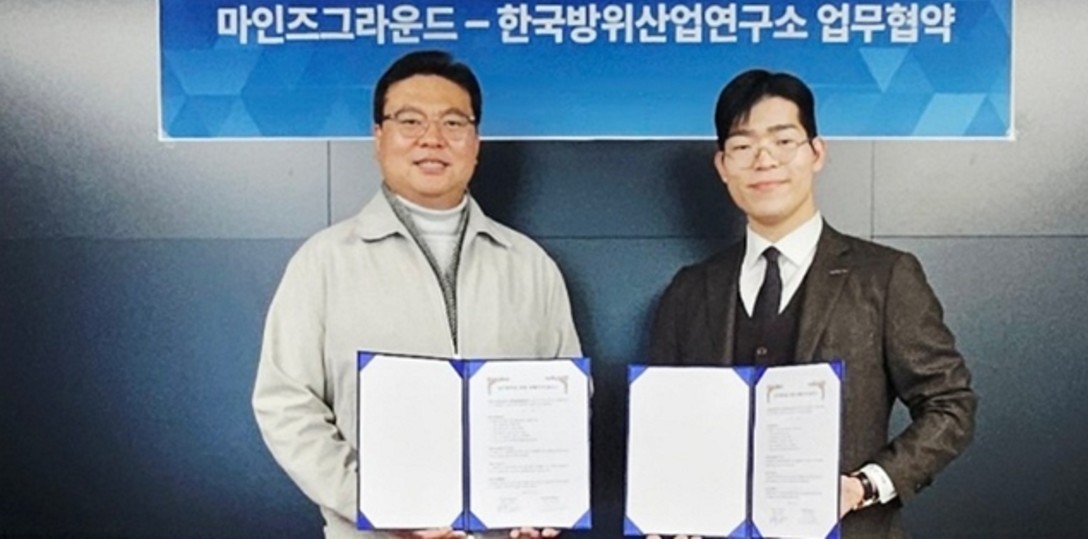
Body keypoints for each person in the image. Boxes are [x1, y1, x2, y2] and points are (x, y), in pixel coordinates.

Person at [253, 50, 581, 539]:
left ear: (475, 142)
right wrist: (376, 505)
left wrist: (543, 498)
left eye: (453, 123)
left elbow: (567, 397)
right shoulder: (324, 262)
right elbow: (286, 404)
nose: (432, 138)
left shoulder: (529, 265)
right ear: (378, 137)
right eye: (410, 121)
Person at [648, 68, 976, 539]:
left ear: (816, 153)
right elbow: (664, 425)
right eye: (743, 146)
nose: (764, 160)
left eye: (784, 141)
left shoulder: (884, 277)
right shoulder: (689, 290)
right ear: (722, 165)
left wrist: (865, 486)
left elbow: (950, 404)